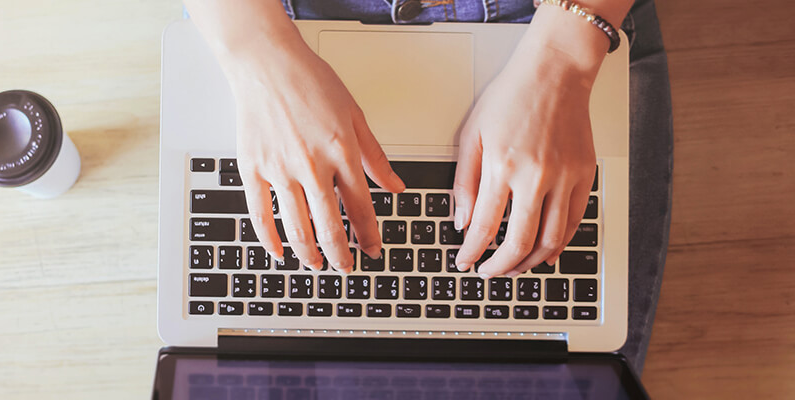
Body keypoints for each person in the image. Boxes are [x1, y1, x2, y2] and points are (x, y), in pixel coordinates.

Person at [182, 0, 672, 371]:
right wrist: (256, 51)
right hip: (274, 21)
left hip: (564, 17)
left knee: (578, 355)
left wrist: (565, 57)